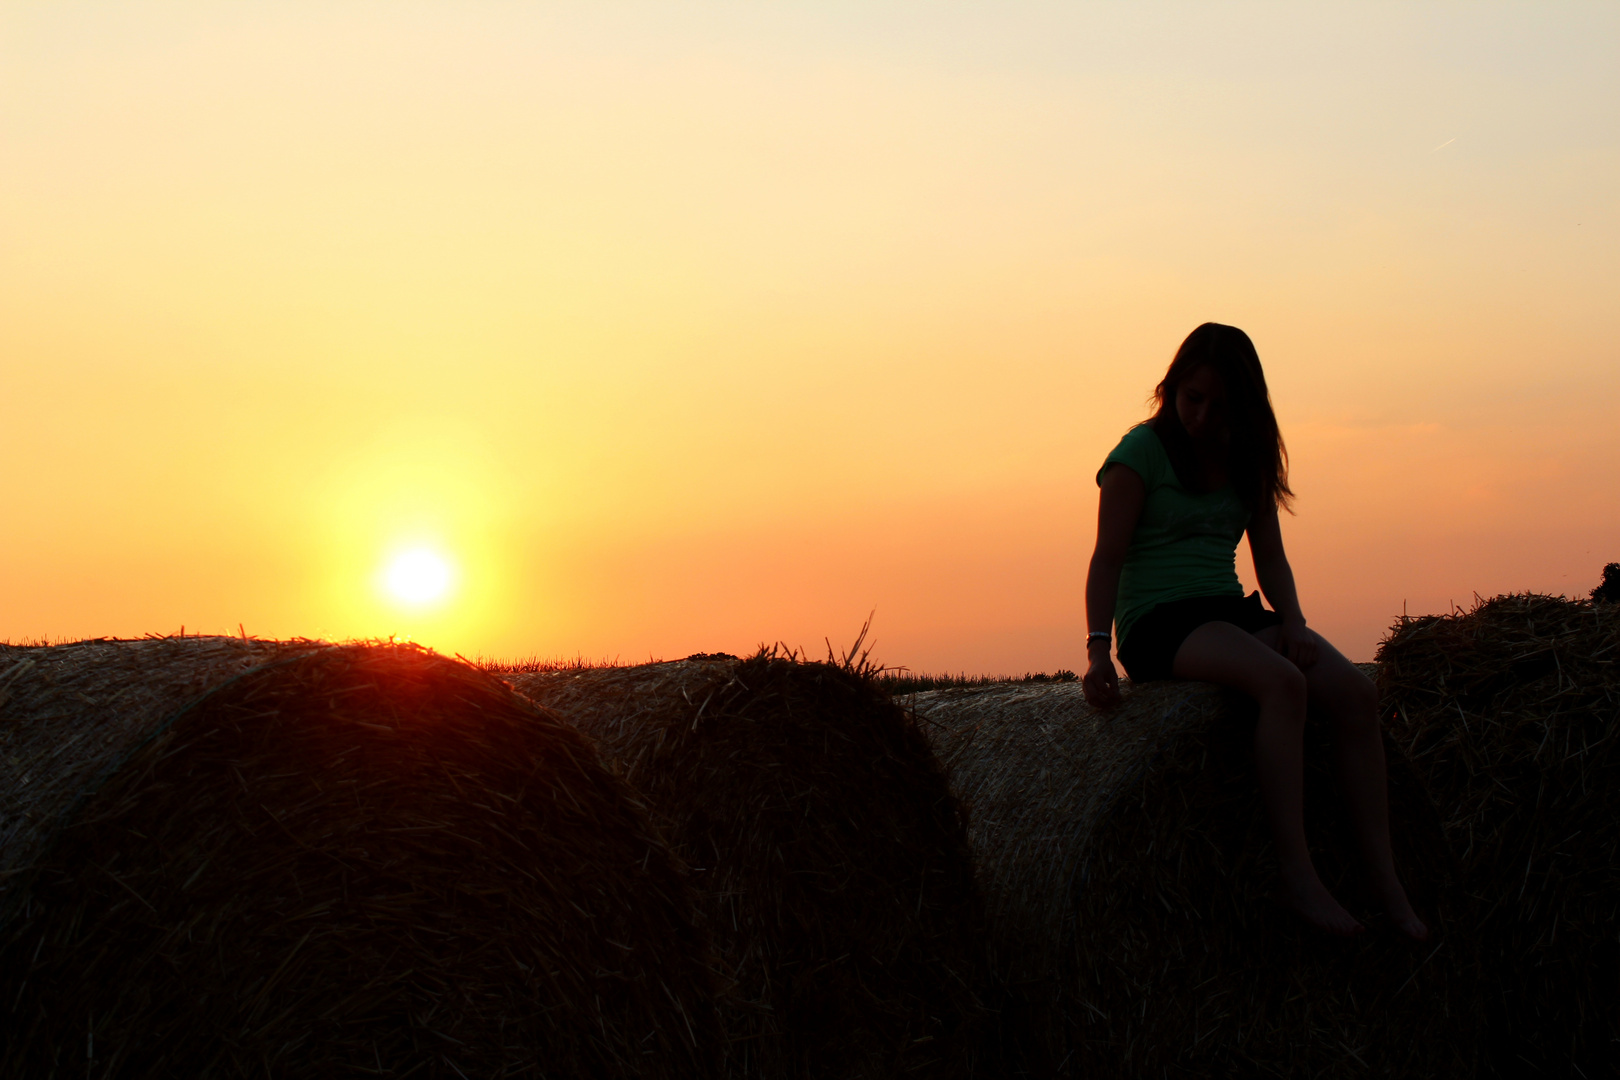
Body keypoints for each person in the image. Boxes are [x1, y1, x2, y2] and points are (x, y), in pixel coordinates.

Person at [1081, 323, 1427, 941]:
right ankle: (1297, 875)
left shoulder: (1247, 457)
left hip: (1227, 609)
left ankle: (1385, 880)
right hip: (1157, 622)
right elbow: (1107, 557)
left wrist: (1293, 622)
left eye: (1219, 404)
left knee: (1356, 696)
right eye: (1193, 398)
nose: (1202, 415)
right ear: (1171, 389)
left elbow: (1271, 559)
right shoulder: (1138, 455)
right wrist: (1096, 650)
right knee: (1282, 684)